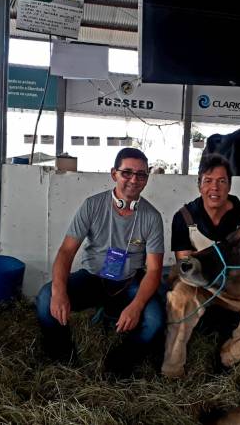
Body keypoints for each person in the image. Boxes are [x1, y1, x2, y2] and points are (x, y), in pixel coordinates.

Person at [36, 148, 165, 375]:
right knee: (47, 298)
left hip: (129, 283)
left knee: (154, 321)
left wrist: (136, 307)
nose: (134, 180)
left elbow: (154, 271)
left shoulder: (152, 217)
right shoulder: (92, 205)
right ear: (114, 174)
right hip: (92, 278)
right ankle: (64, 360)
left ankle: (117, 366)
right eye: (127, 173)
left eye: (141, 174)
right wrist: (59, 292)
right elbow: (66, 252)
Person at [166, 153, 240, 367]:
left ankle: (230, 358)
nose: (214, 188)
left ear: (229, 186)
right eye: (208, 181)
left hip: (235, 286)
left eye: (221, 181)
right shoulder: (185, 217)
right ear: (199, 185)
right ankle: (172, 368)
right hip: (198, 283)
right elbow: (185, 265)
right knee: (178, 298)